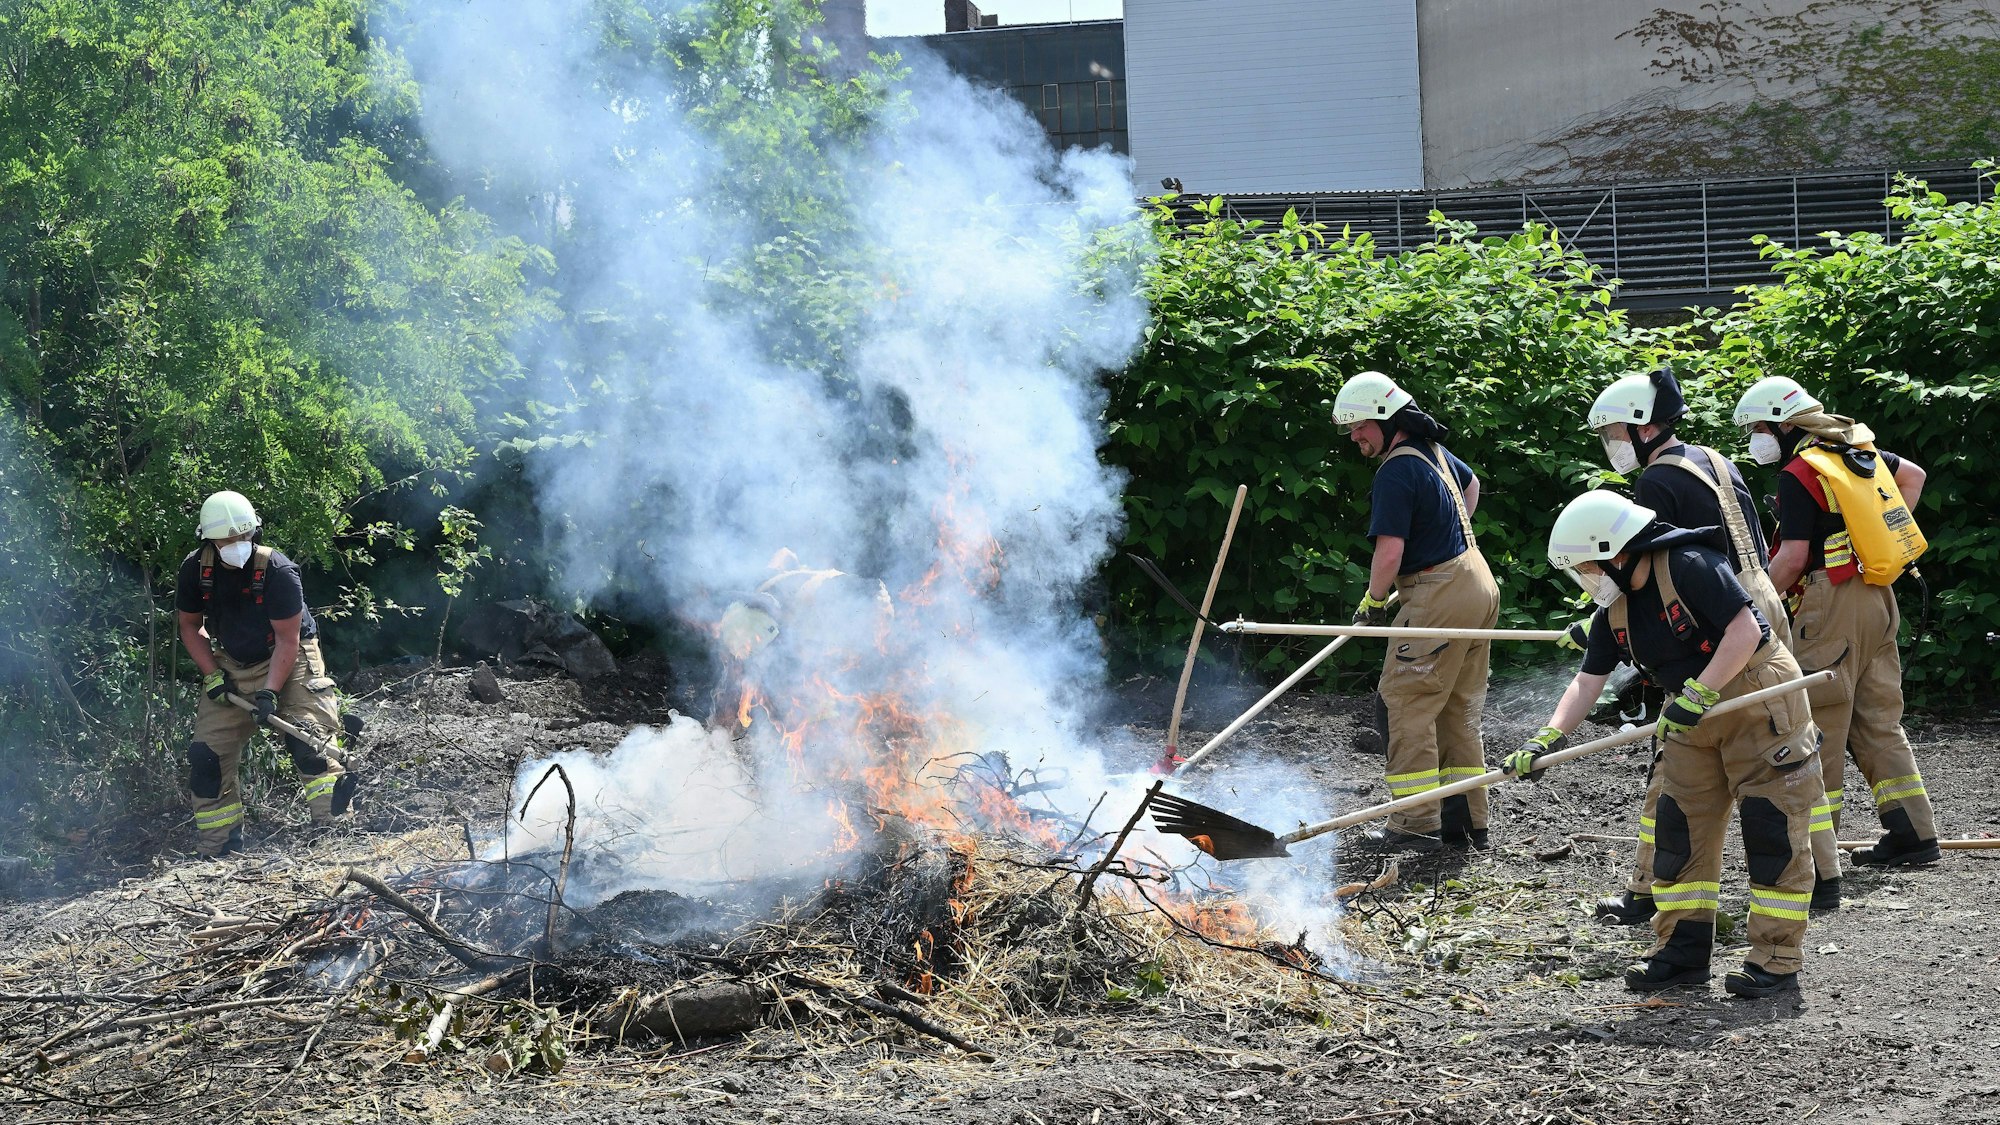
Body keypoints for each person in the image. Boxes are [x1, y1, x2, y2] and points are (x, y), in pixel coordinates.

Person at [1509, 490, 1818, 998]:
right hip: (1689, 714)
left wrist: (1700, 692)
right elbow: (1589, 681)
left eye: (1585, 566)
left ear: (1613, 550)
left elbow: (1744, 630)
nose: (1584, 578)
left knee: (1771, 829)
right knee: (1679, 830)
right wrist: (1548, 737)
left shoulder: (1690, 564)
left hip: (1755, 699)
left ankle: (1776, 959)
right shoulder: (1615, 606)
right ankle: (1682, 951)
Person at [1578, 366, 1840, 924]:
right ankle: (1823, 874)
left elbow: (1654, 565)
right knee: (1791, 747)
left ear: (1644, 427)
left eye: (1616, 432)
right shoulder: (1710, 458)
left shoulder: (1654, 483)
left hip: (1720, 620)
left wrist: (1627, 630)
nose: (1612, 445)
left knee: (1675, 758)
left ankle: (1650, 889)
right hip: (1762, 595)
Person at [1733, 376, 1939, 867]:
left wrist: (1745, 607)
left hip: (1830, 604)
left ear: (1783, 425)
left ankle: (1817, 864)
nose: (1755, 439)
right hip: (1876, 594)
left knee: (1816, 725)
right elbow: (1914, 477)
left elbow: (1790, 560)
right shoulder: (1852, 449)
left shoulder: (1801, 471)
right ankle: (1914, 837)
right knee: (1879, 721)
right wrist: (1878, 544)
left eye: (1759, 428)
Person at [1331, 371, 1499, 851]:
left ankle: (1414, 823)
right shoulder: (1434, 453)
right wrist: (1451, 537)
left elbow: (1389, 552)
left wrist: (1374, 600)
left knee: (1405, 702)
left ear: (1385, 419)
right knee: (1456, 708)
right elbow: (1473, 486)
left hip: (1439, 593)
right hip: (1476, 581)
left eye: (1359, 425)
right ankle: (1465, 821)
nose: (1355, 436)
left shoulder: (1396, 470)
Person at [175, 491, 350, 857]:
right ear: (209, 539)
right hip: (231, 662)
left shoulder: (278, 571)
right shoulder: (196, 570)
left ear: (254, 531)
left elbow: (288, 640)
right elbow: (190, 627)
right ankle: (219, 849)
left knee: (310, 743)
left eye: (244, 536)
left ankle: (338, 838)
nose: (238, 545)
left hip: (289, 657)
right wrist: (211, 674)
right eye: (228, 539)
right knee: (206, 757)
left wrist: (269, 693)